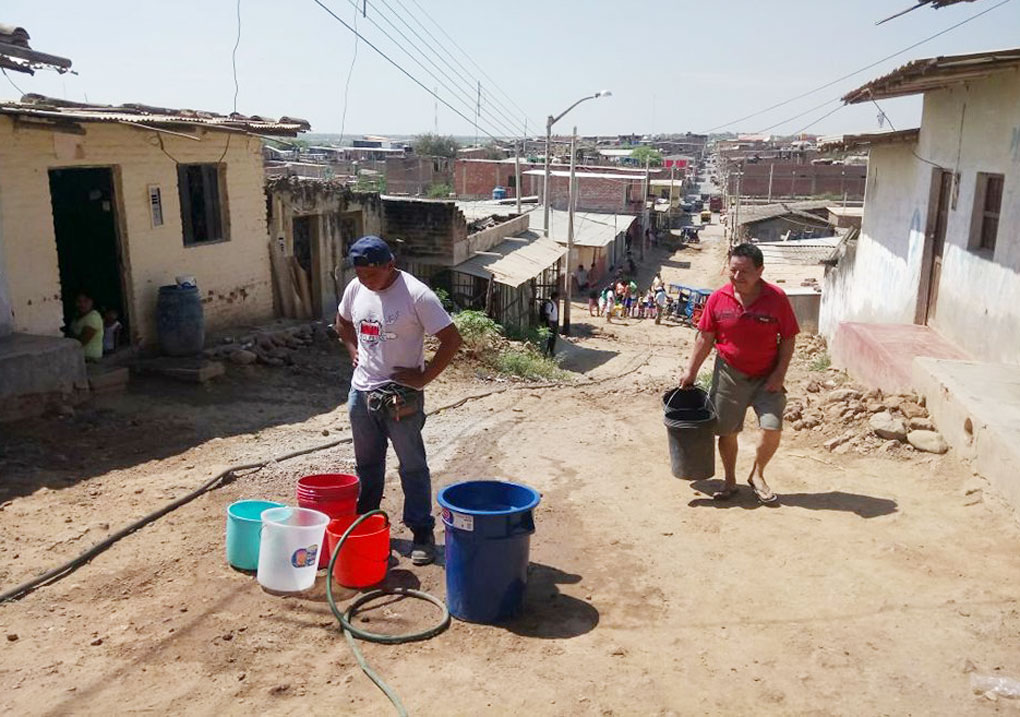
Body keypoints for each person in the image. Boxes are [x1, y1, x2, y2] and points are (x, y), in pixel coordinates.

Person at [335, 236, 463, 565]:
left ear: (389, 265)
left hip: (400, 397)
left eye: (372, 276)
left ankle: (422, 533)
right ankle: (369, 523)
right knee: (367, 464)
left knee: (413, 466)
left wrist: (423, 378)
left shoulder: (417, 295)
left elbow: (451, 339)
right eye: (360, 274)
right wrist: (354, 352)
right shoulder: (356, 288)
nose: (366, 282)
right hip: (361, 393)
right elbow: (343, 323)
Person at [678, 243, 799, 504]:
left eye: (744, 271)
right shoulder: (718, 298)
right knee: (726, 431)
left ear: (760, 271)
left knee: (772, 427)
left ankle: (757, 474)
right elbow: (705, 338)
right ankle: (730, 480)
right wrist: (690, 371)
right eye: (732, 270)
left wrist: (779, 374)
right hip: (729, 375)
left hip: (768, 376)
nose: (736, 277)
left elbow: (788, 339)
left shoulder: (776, 298)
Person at [70, 291, 103, 362]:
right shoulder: (77, 317)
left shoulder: (93, 317)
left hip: (90, 359)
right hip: (80, 357)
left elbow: (82, 341)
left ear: (92, 302)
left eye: (86, 301)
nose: (82, 304)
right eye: (79, 301)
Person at [541, 291, 559, 356]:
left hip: (554, 322)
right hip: (551, 323)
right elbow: (547, 314)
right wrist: (550, 324)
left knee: (553, 338)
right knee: (549, 338)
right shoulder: (549, 304)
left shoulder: (553, 303)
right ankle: (546, 351)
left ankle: (551, 351)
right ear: (555, 297)